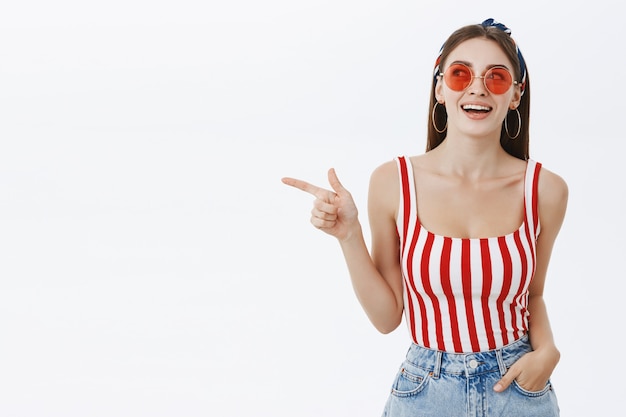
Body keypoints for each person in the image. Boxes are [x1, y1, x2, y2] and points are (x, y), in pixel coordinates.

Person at [282, 18, 567, 417]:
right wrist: (349, 236)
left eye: (497, 78)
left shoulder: (546, 190)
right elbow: (387, 317)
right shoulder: (393, 182)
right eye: (460, 74)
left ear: (516, 95)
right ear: (440, 88)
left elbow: (532, 295)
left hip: (518, 387)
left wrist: (549, 350)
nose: (477, 87)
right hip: (426, 392)